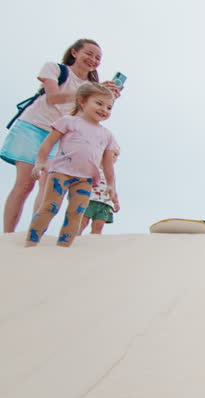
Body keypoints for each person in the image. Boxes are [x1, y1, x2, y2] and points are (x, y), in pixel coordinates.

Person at [2, 38, 121, 233]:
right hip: (32, 126)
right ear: (74, 53)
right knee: (24, 183)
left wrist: (105, 98)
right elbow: (53, 97)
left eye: (98, 57)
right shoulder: (55, 69)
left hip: (60, 135)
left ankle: (35, 232)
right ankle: (7, 236)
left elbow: (88, 116)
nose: (93, 60)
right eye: (89, 54)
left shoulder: (92, 87)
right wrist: (88, 92)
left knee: (48, 182)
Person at [25, 83, 119, 247]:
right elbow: (47, 143)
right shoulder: (69, 121)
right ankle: (31, 242)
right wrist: (40, 162)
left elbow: (108, 164)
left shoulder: (107, 135)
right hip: (61, 172)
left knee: (76, 213)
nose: (104, 109)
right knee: (50, 207)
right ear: (82, 101)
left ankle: (64, 246)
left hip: (85, 179)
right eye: (99, 103)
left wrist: (111, 185)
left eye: (109, 107)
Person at [78, 150, 120, 235]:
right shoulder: (93, 168)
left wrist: (116, 202)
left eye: (116, 155)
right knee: (82, 222)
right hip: (89, 200)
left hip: (105, 203)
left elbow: (113, 189)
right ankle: (73, 239)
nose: (114, 156)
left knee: (99, 225)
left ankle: (93, 243)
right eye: (112, 153)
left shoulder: (111, 174)